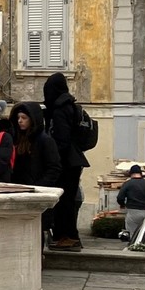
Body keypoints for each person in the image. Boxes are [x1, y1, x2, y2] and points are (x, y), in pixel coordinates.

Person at [43, 73, 90, 250]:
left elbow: (61, 138)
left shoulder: (60, 108)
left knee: (63, 201)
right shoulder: (71, 105)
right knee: (68, 200)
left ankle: (67, 237)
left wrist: (51, 157)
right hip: (74, 159)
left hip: (65, 161)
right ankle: (68, 236)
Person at [9, 102, 62, 241]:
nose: (20, 121)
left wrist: (39, 186)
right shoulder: (16, 139)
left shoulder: (45, 141)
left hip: (36, 192)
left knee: (36, 233)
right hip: (18, 190)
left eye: (24, 118)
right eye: (18, 118)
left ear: (33, 119)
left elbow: (54, 168)